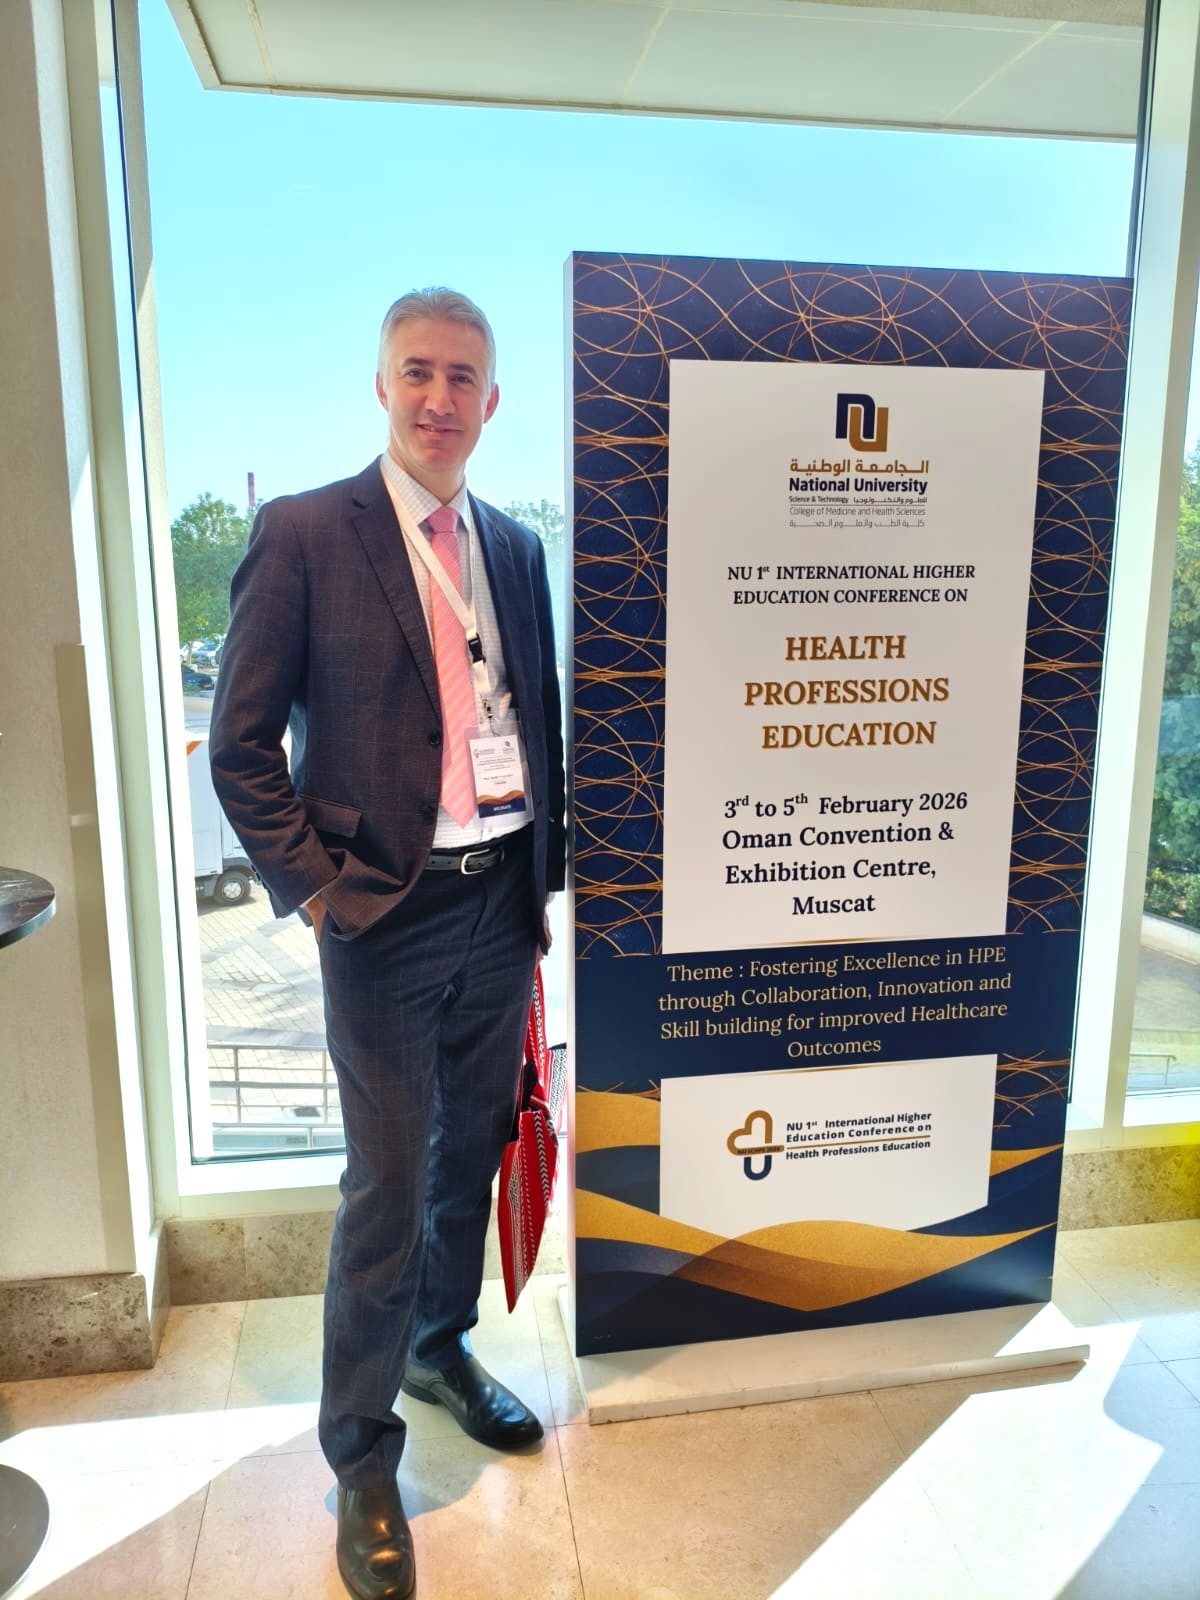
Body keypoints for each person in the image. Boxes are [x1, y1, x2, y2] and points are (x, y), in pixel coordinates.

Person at [209, 287, 566, 1600]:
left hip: (498, 901)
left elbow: (534, 717)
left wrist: (542, 877)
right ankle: (360, 1453)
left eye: (463, 377)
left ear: (492, 399)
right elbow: (242, 748)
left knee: (467, 1153)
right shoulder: (308, 533)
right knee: (386, 1184)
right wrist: (316, 891)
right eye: (417, 371)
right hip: (382, 915)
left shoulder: (515, 549)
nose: (438, 398)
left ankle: (437, 1343)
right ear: (381, 384)